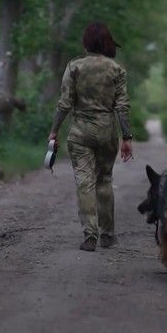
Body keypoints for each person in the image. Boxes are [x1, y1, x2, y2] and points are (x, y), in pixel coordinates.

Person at [49, 22, 134, 252]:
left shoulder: (74, 67)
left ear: (86, 42)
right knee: (104, 180)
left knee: (84, 182)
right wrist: (127, 137)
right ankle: (107, 234)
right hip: (107, 132)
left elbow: (65, 103)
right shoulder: (116, 69)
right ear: (107, 42)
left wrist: (54, 130)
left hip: (80, 133)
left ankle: (90, 236)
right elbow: (122, 106)